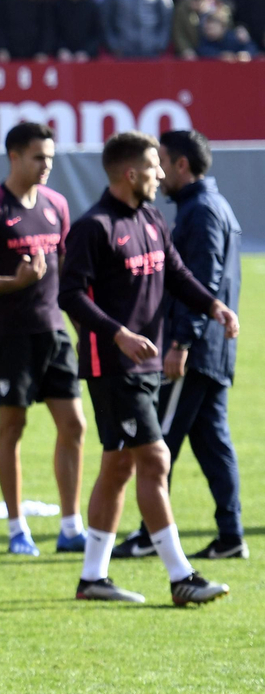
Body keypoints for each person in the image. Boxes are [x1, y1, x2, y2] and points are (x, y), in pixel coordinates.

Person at [59, 131, 239, 606]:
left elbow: (176, 274)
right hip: (113, 365)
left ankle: (93, 578)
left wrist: (215, 306)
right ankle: (181, 577)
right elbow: (69, 294)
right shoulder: (93, 227)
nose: (162, 174)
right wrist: (117, 332)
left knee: (118, 466)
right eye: (154, 167)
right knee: (156, 460)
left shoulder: (153, 219)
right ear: (130, 173)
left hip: (148, 362)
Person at [113, 130, 245, 560]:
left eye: (162, 162)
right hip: (212, 350)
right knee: (212, 442)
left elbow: (202, 281)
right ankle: (231, 536)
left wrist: (182, 341)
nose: (159, 172)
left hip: (193, 351)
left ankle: (152, 534)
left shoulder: (201, 211)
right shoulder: (210, 206)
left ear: (181, 165)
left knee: (157, 441)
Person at [0, 121, 86, 556]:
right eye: (38, 157)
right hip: (11, 335)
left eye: (50, 157)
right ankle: (18, 528)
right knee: (12, 427)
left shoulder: (56, 205)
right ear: (14, 156)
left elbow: (70, 268)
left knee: (74, 425)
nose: (46, 166)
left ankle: (71, 527)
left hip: (54, 331)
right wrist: (16, 282)